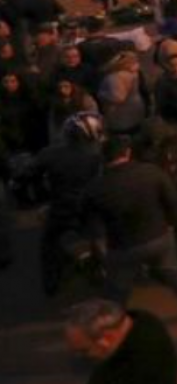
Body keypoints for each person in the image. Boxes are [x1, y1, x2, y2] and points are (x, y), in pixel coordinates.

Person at [82, 135, 177, 320]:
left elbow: (92, 224)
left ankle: (112, 322)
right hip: (158, 237)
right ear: (128, 152)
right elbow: (172, 200)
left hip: (123, 246)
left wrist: (101, 249)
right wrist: (170, 224)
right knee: (175, 274)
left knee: (117, 287)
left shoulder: (95, 188)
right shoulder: (151, 172)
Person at [32, 112, 104, 295]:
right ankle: (98, 272)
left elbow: (30, 173)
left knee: (49, 245)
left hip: (61, 208)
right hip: (91, 209)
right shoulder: (99, 155)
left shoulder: (50, 153)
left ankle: (51, 284)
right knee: (98, 238)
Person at [64, 299, 177, 384]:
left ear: (107, 338)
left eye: (84, 351)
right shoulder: (142, 321)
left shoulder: (140, 367)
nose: (79, 357)